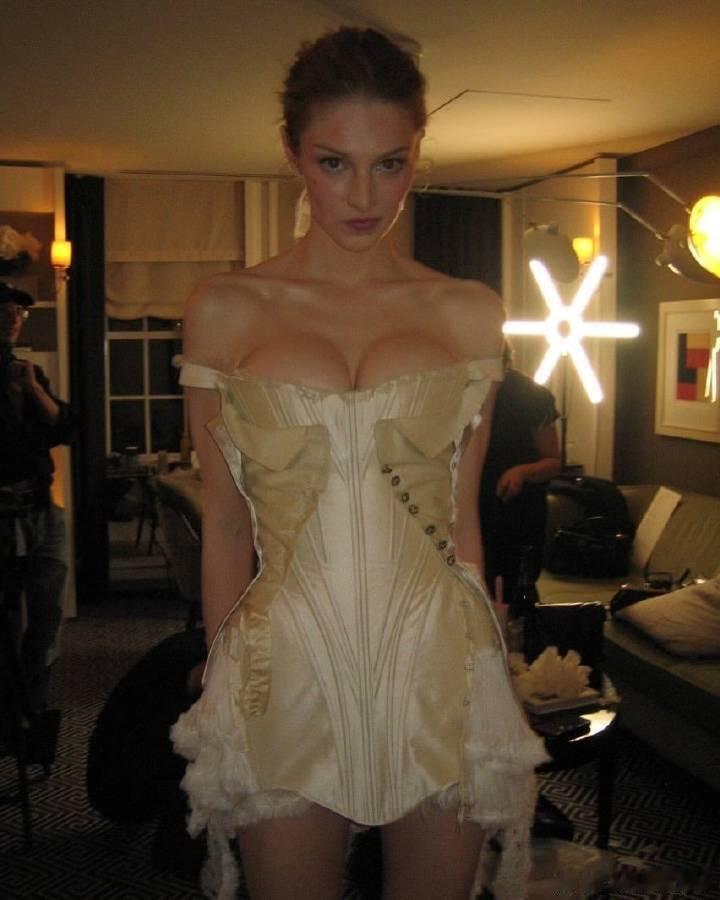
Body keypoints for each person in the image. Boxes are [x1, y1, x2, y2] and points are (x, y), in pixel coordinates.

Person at [171, 28, 547, 900]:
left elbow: (461, 513)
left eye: (391, 163)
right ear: (293, 152)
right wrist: (224, 670)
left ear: (418, 153)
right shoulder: (225, 308)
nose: (365, 195)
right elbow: (225, 521)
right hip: (287, 663)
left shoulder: (467, 312)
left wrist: (490, 659)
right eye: (335, 163)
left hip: (436, 658)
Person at [0, 281, 76, 714]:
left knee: (48, 613)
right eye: (6, 311)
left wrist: (33, 388)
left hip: (42, 508)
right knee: (7, 618)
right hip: (4, 514)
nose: (14, 319)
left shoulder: (27, 372)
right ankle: (13, 712)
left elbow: (64, 428)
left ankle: (33, 703)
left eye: (20, 312)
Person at [480, 341, 561, 605]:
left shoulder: (532, 397)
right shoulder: (462, 393)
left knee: (514, 589)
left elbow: (553, 462)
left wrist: (521, 472)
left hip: (519, 511)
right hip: (475, 505)